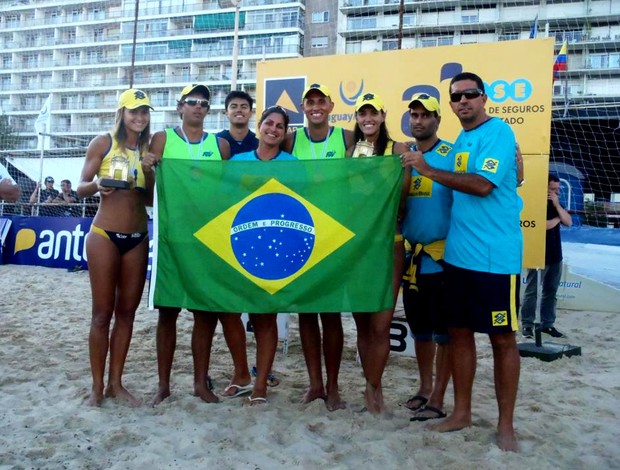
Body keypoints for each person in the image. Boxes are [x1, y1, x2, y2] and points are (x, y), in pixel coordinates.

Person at [402, 72, 522, 451]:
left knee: (502, 340)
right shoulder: (460, 144)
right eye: (456, 96)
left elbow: (483, 185)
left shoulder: (499, 132)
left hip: (496, 259)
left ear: (483, 97)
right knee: (458, 336)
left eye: (470, 94)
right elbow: (447, 177)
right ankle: (461, 412)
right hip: (456, 256)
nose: (463, 101)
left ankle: (506, 426)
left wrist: (427, 169)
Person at [145, 84, 253, 405]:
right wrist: (148, 168)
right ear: (180, 107)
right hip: (171, 239)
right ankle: (163, 385)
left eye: (203, 103)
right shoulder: (163, 140)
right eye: (191, 102)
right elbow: (151, 187)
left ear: (208, 110)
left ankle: (199, 383)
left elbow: (226, 193)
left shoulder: (219, 147)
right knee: (168, 314)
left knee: (204, 315)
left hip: (206, 241)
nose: (197, 107)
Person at [77, 88, 155, 407]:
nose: (139, 117)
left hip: (137, 237)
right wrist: (98, 185)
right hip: (104, 234)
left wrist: (149, 172)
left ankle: (116, 384)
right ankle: (96, 386)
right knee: (101, 314)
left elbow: (150, 200)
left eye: (144, 111)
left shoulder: (150, 149)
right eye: (133, 111)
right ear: (121, 112)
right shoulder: (104, 142)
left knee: (126, 314)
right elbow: (80, 188)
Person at [282, 83, 355, 411]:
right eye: (309, 102)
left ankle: (334, 386)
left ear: (330, 105)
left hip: (334, 237)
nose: (315, 106)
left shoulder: (347, 138)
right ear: (303, 106)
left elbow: (376, 163)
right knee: (306, 314)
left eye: (320, 101)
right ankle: (315, 384)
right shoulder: (291, 139)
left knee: (332, 314)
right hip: (301, 235)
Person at [346, 92, 408, 414]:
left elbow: (404, 198)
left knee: (381, 324)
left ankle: (373, 387)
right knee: (361, 324)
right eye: (362, 113)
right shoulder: (350, 152)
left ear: (383, 115)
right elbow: (345, 197)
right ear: (357, 118)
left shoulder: (398, 150)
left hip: (389, 244)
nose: (368, 118)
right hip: (359, 245)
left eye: (373, 113)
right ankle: (372, 383)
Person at [231, 106, 296, 404]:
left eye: (279, 126)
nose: (273, 129)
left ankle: (260, 384)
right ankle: (240, 374)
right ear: (260, 126)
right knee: (230, 311)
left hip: (274, 249)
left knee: (265, 318)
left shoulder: (292, 164)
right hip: (239, 245)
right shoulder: (238, 161)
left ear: (285, 133)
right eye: (269, 123)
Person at [400, 93, 453, 422]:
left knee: (443, 333)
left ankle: (439, 396)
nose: (418, 120)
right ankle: (424, 387)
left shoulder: (451, 153)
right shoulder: (403, 155)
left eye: (425, 115)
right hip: (411, 259)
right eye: (414, 115)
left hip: (443, 257)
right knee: (419, 330)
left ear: (437, 119)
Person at [521, 174, 572, 339]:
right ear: (544, 188)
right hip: (537, 254)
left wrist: (557, 207)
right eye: (553, 189)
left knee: (551, 291)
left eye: (557, 190)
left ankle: (547, 324)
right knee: (531, 291)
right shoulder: (535, 203)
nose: (556, 192)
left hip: (555, 255)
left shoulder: (556, 204)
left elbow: (569, 221)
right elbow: (545, 225)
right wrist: (559, 218)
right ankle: (527, 324)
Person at [216, 91, 259, 156]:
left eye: (244, 107)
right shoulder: (216, 142)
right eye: (233, 107)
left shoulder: (259, 145)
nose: (239, 110)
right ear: (226, 113)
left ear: (250, 113)